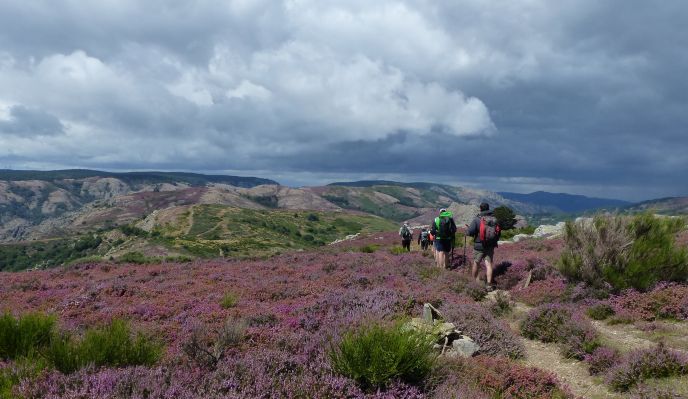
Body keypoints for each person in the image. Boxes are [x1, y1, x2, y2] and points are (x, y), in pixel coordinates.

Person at [466, 202, 501, 290]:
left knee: (476, 263)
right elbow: (498, 233)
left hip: (479, 245)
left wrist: (467, 229)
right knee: (488, 264)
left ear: (480, 209)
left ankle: (473, 282)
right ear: (488, 208)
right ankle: (489, 284)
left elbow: (470, 232)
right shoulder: (494, 219)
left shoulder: (477, 219)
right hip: (490, 245)